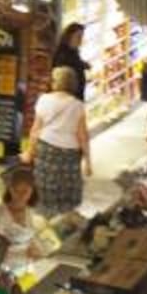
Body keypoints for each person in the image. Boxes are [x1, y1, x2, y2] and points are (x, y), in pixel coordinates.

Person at [26, 65, 92, 215]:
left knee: (45, 184)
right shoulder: (77, 105)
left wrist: (30, 151)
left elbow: (35, 129)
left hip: (46, 149)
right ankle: (64, 219)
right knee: (66, 187)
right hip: (69, 153)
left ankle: (45, 218)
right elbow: (82, 135)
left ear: (55, 82)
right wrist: (87, 161)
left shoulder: (44, 100)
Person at [0, 165, 50, 294]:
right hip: (5, 273)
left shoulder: (31, 211)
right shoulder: (0, 213)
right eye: (16, 191)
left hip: (26, 270)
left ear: (32, 191)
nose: (21, 196)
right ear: (10, 189)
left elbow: (36, 237)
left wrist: (38, 250)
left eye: (25, 191)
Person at [50, 22, 89, 100]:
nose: (80, 40)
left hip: (75, 96)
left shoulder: (74, 52)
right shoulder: (62, 54)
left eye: (81, 37)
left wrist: (83, 65)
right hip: (67, 98)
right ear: (69, 36)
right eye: (78, 37)